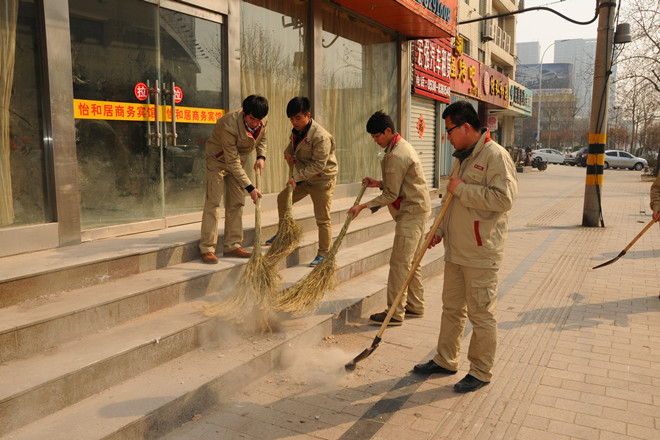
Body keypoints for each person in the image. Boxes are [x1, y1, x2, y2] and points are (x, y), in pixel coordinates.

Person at [413, 100, 518, 393]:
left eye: (449, 131)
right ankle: (446, 359)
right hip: (456, 250)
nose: (447, 137)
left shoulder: (496, 156)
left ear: (466, 127)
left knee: (481, 314)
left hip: (481, 252)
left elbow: (504, 199)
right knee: (451, 308)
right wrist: (440, 229)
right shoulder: (462, 156)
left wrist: (462, 188)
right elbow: (451, 200)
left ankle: (481, 371)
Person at [348, 111, 431, 326]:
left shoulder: (395, 154)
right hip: (418, 209)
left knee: (399, 263)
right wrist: (379, 182)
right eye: (373, 138)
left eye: (377, 136)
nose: (375, 141)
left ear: (387, 131)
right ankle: (415, 304)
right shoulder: (400, 145)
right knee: (411, 261)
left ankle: (394, 312)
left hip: (411, 213)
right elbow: (399, 182)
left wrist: (363, 206)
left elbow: (391, 195)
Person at [266, 97, 338, 266]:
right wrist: (287, 153)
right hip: (305, 178)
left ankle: (323, 253)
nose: (294, 122)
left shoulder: (321, 136)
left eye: (298, 118)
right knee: (283, 199)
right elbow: (291, 147)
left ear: (308, 115)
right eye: (291, 118)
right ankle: (284, 234)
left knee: (322, 218)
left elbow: (319, 165)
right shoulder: (296, 131)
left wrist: (296, 178)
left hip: (322, 180)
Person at [199, 95, 269, 264]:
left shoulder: (260, 122)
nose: (254, 123)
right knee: (214, 202)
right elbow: (231, 162)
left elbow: (262, 138)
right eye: (251, 119)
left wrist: (261, 156)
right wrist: (251, 188)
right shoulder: (229, 124)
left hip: (239, 162)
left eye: (258, 120)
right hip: (218, 160)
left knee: (237, 202)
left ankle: (232, 244)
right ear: (244, 112)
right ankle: (207, 248)